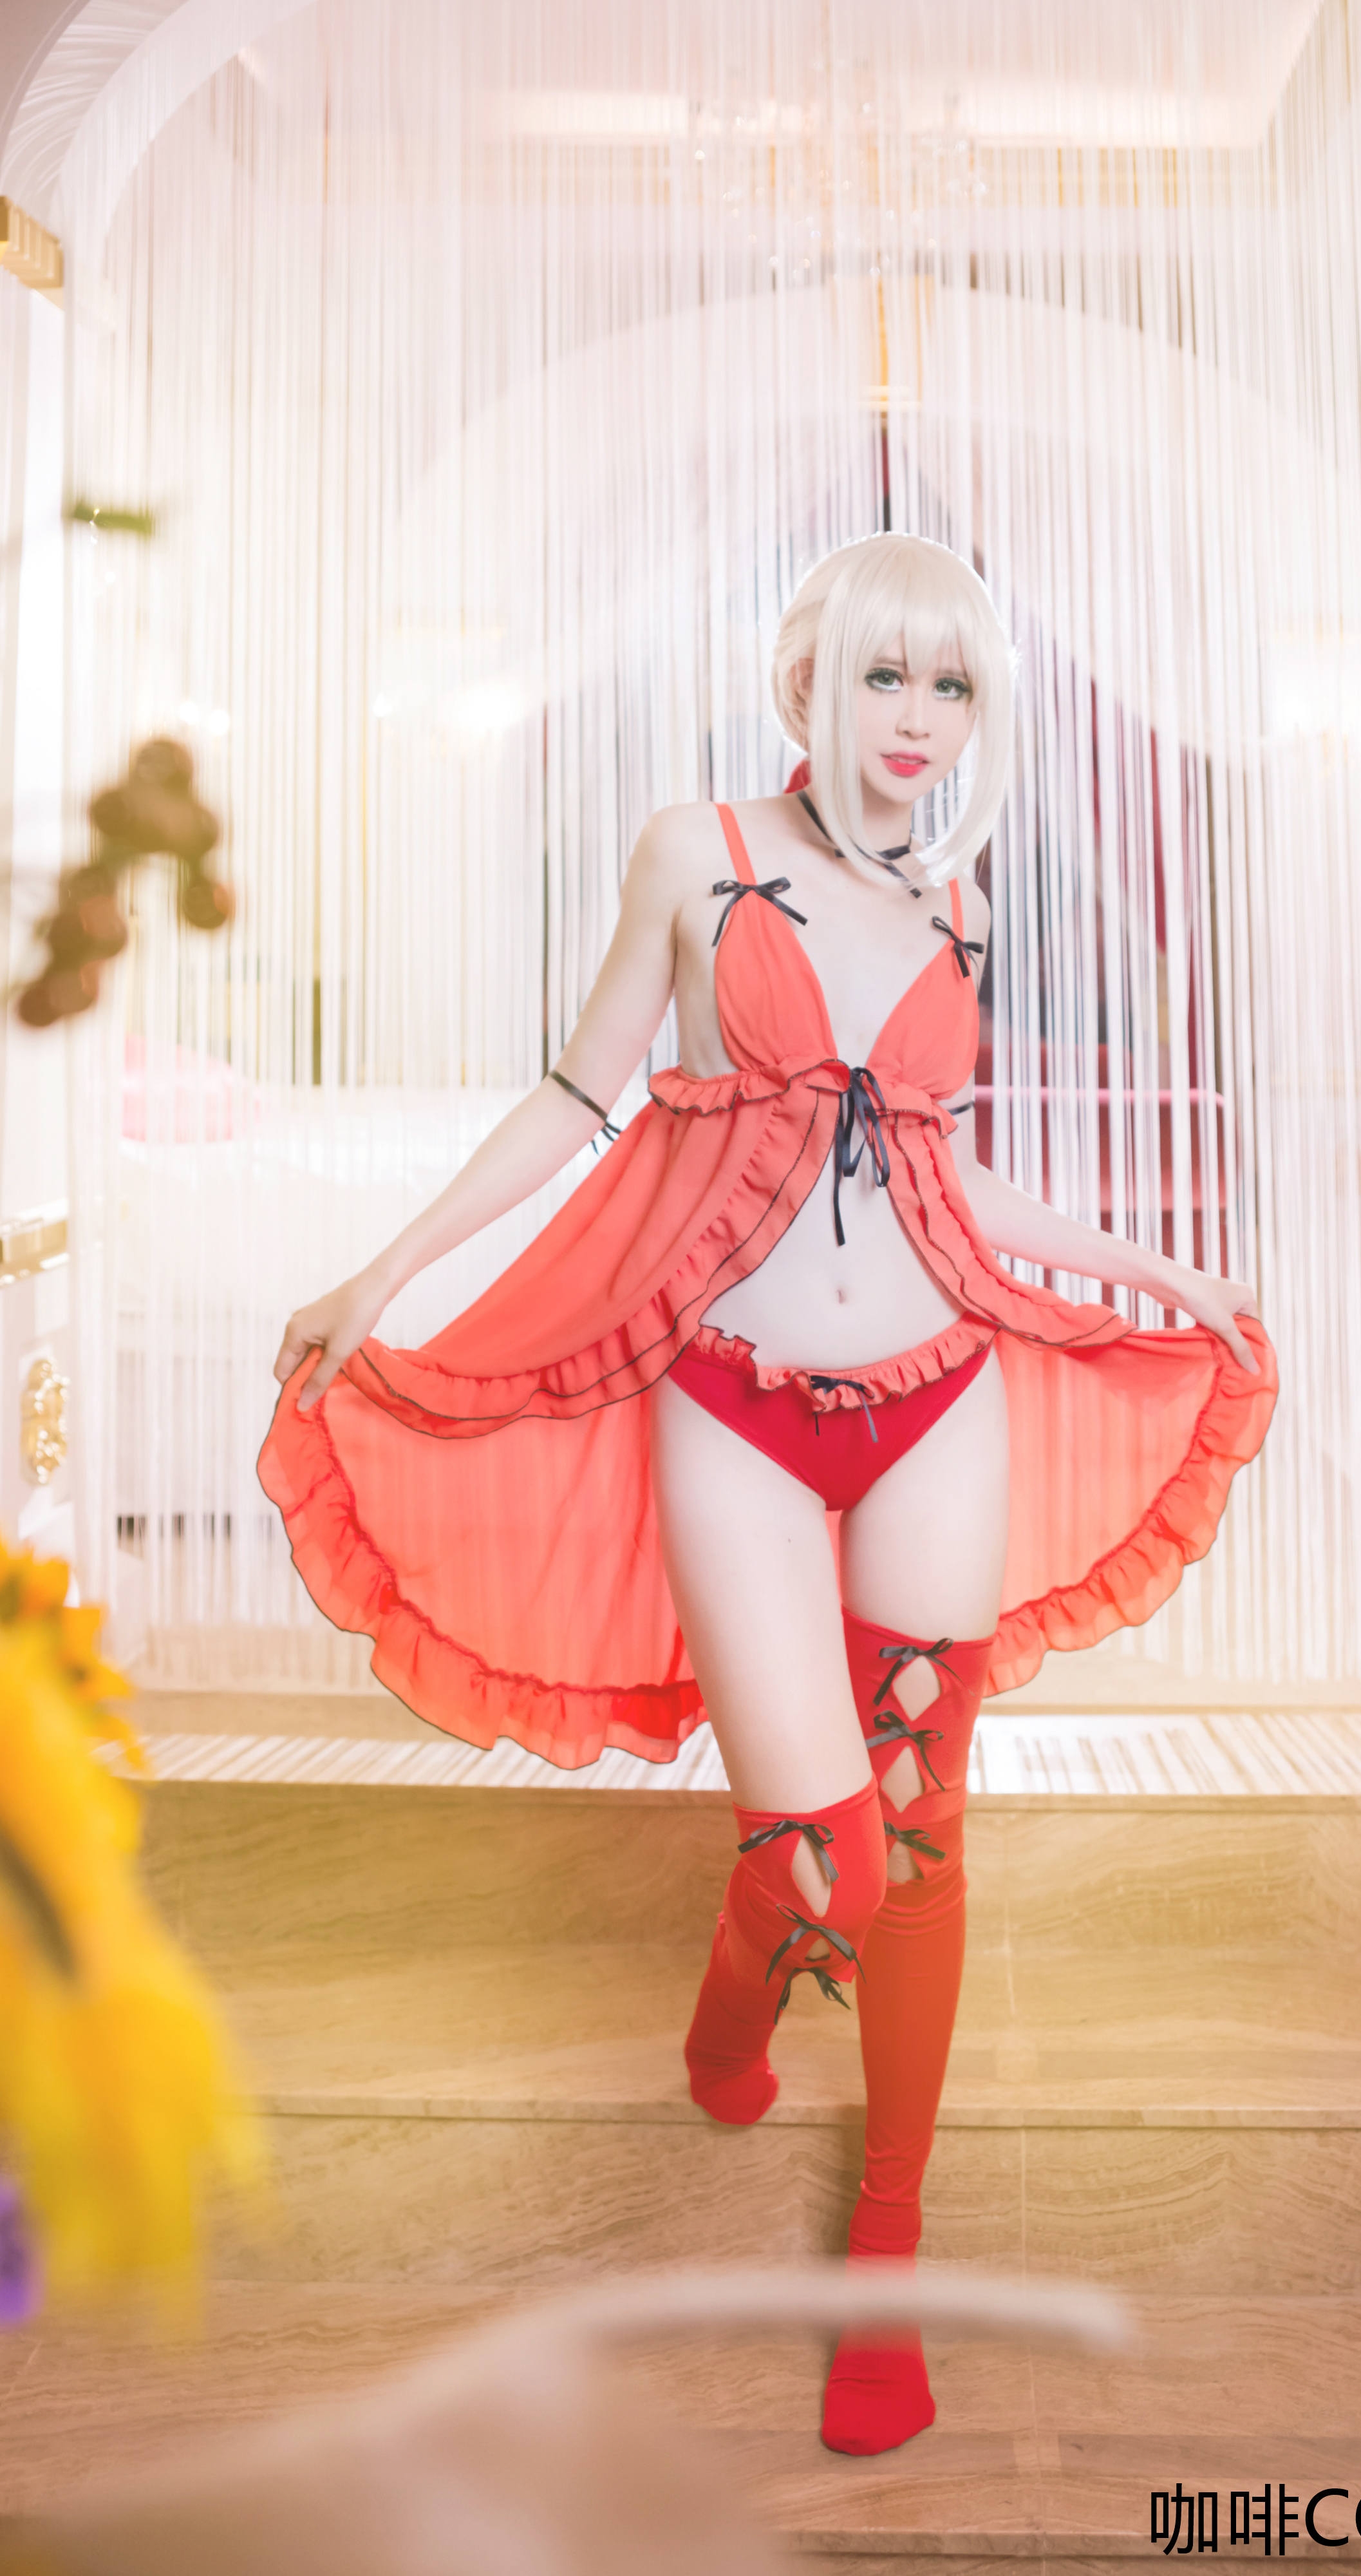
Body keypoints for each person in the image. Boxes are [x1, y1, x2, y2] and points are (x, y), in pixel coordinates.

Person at [261, 532, 1275, 2458]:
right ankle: (737, 2003)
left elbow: (954, 1177)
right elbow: (579, 1101)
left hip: (939, 1394)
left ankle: (885, 2249)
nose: (919, 719)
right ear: (808, 680)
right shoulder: (698, 849)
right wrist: (380, 1276)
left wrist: (1160, 1274)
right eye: (887, 675)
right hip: (728, 1400)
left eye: (953, 686)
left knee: (925, 1829)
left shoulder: (960, 908)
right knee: (824, 1851)